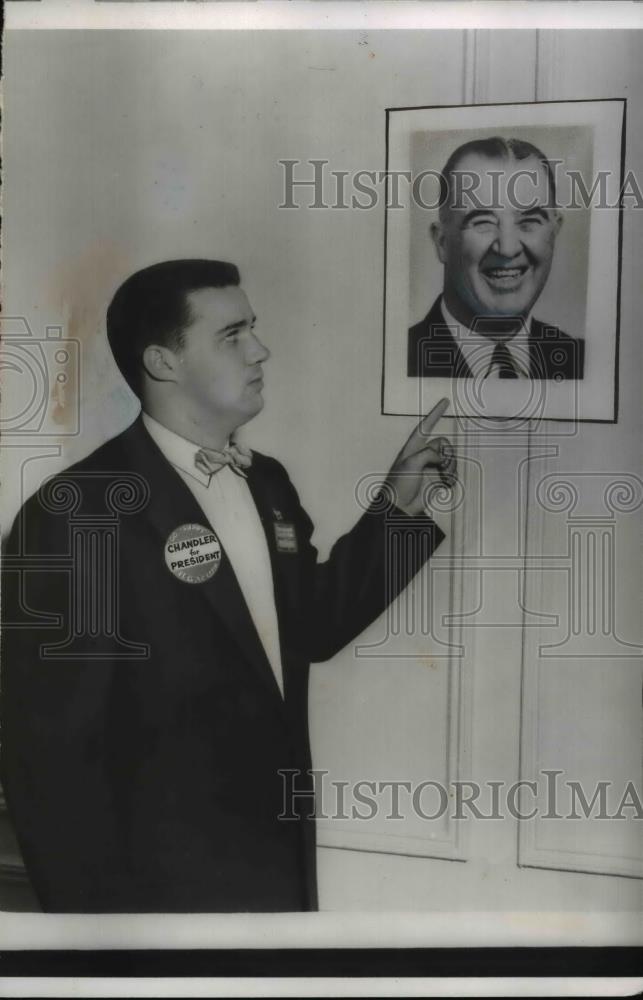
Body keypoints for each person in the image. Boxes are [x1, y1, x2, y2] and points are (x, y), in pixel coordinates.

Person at [1, 259, 455, 913]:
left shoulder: (266, 480)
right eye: (232, 335)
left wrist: (398, 509)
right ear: (163, 362)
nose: (260, 350)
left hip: (276, 869)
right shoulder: (76, 511)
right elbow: (48, 754)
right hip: (153, 901)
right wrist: (92, 935)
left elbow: (312, 627)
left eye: (254, 329)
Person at [407, 136, 585, 381]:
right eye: (483, 222)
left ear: (554, 232)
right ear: (442, 243)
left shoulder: (582, 363)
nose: (507, 249)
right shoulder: (399, 359)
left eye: (529, 221)